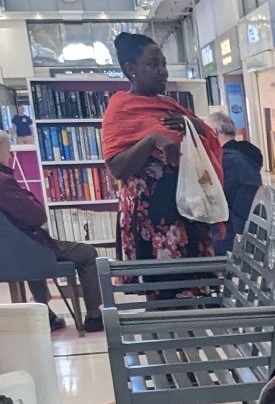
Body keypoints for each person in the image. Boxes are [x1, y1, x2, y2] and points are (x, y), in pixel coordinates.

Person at [102, 33, 225, 263]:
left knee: (199, 287)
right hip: (151, 215)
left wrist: (194, 125)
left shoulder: (170, 105)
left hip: (189, 208)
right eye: (152, 64)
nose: (163, 71)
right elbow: (117, 168)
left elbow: (207, 140)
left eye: (164, 63)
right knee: (163, 291)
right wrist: (151, 140)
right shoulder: (120, 109)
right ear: (131, 69)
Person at [0, 130, 102, 330]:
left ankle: (46, 313)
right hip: (28, 250)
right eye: (8, 150)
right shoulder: (4, 182)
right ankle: (94, 316)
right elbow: (37, 216)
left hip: (8, 254)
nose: (11, 156)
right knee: (88, 254)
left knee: (27, 252)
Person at [207, 107, 263, 252]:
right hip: (254, 229)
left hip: (232, 234)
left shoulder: (227, 160)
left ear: (214, 132)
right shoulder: (247, 156)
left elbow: (211, 198)